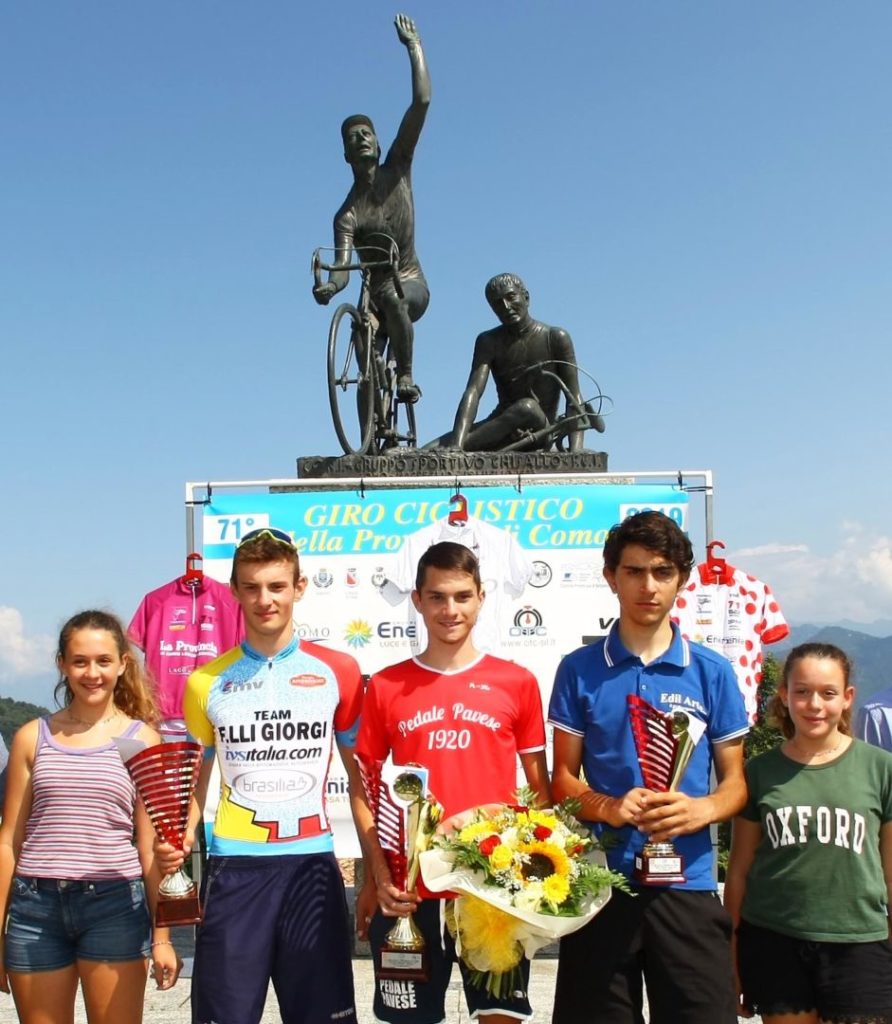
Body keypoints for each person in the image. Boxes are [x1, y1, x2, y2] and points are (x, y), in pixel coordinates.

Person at [547, 510, 749, 1024]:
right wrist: (610, 808)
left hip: (690, 884)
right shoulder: (578, 670)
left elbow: (735, 787)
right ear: (611, 577)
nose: (648, 586)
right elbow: (562, 781)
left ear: (681, 578)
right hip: (602, 885)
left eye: (662, 572)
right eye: (634, 571)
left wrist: (700, 809)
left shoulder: (711, 671)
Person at [160, 527, 365, 1024]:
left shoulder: (340, 670)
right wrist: (177, 842)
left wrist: (376, 871)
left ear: (299, 587)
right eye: (251, 587)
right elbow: (195, 779)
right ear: (233, 591)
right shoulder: (204, 682)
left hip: (311, 865)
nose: (264, 599)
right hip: (235, 869)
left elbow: (358, 782)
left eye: (276, 586)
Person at [355, 541, 550, 1024]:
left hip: (491, 888)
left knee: (500, 1017)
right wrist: (378, 875)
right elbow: (365, 790)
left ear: (482, 597)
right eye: (438, 597)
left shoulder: (517, 682)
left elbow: (539, 790)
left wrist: (536, 877)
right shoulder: (384, 686)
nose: (450, 609)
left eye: (462, 596)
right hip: (410, 890)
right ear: (417, 600)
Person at [0, 610, 180, 1024]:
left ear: (122, 664)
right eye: (80, 661)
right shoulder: (32, 737)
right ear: (62, 664)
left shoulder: (142, 740)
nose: (92, 672)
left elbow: (151, 847)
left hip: (115, 906)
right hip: (35, 911)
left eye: (103, 661)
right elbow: (10, 841)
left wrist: (162, 937)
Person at [724, 643, 892, 1023]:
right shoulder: (759, 772)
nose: (814, 704)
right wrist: (731, 958)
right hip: (774, 938)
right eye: (802, 691)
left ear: (847, 698)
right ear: (784, 695)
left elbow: (890, 871)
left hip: (860, 940)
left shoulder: (881, 769)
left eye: (828, 693)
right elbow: (738, 871)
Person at [313, 14, 431, 404]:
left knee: (396, 300)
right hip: (373, 293)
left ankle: (407, 377)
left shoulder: (397, 168)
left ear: (378, 146)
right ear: (345, 154)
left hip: (408, 282)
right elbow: (343, 272)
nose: (361, 139)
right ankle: (367, 440)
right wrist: (329, 287)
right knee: (364, 358)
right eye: (352, 138)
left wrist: (414, 47)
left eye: (367, 134)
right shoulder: (345, 215)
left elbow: (421, 102)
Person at [440, 272, 605, 452]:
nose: (506, 307)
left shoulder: (555, 337)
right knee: (430, 449)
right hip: (501, 425)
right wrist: (456, 439)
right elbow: (473, 390)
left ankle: (460, 447)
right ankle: (457, 447)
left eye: (511, 297)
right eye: (497, 303)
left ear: (526, 298)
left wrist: (576, 450)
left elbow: (574, 397)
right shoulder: (488, 341)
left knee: (527, 407)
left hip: (539, 429)